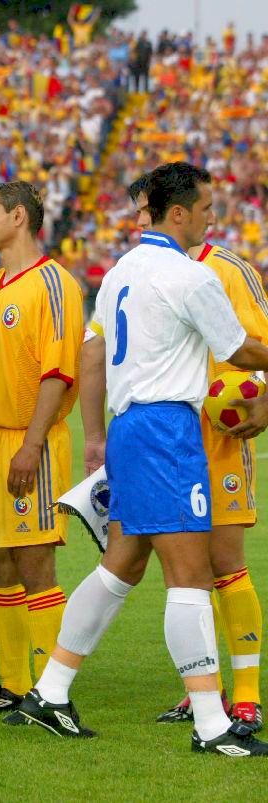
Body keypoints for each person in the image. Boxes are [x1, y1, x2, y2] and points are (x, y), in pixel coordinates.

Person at [9, 161, 268, 757]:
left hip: (130, 428)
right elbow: (239, 348)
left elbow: (93, 354)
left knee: (120, 567)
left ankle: (51, 691)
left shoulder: (121, 271)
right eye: (205, 207)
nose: (211, 217)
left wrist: (96, 432)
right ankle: (212, 725)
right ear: (178, 213)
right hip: (167, 429)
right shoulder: (188, 275)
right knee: (192, 576)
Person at [120, 173, 268, 732]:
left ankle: (247, 696)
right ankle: (201, 688)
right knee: (186, 572)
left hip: (221, 437)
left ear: (170, 211)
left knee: (226, 563)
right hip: (164, 437)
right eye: (136, 211)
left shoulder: (228, 269)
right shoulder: (141, 270)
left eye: (144, 210)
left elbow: (261, 343)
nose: (139, 221)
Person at [0, 181, 84, 714]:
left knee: (35, 563)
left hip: (35, 440)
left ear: (20, 217)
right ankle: (15, 684)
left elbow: (57, 373)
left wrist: (31, 446)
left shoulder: (54, 284)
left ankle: (53, 694)